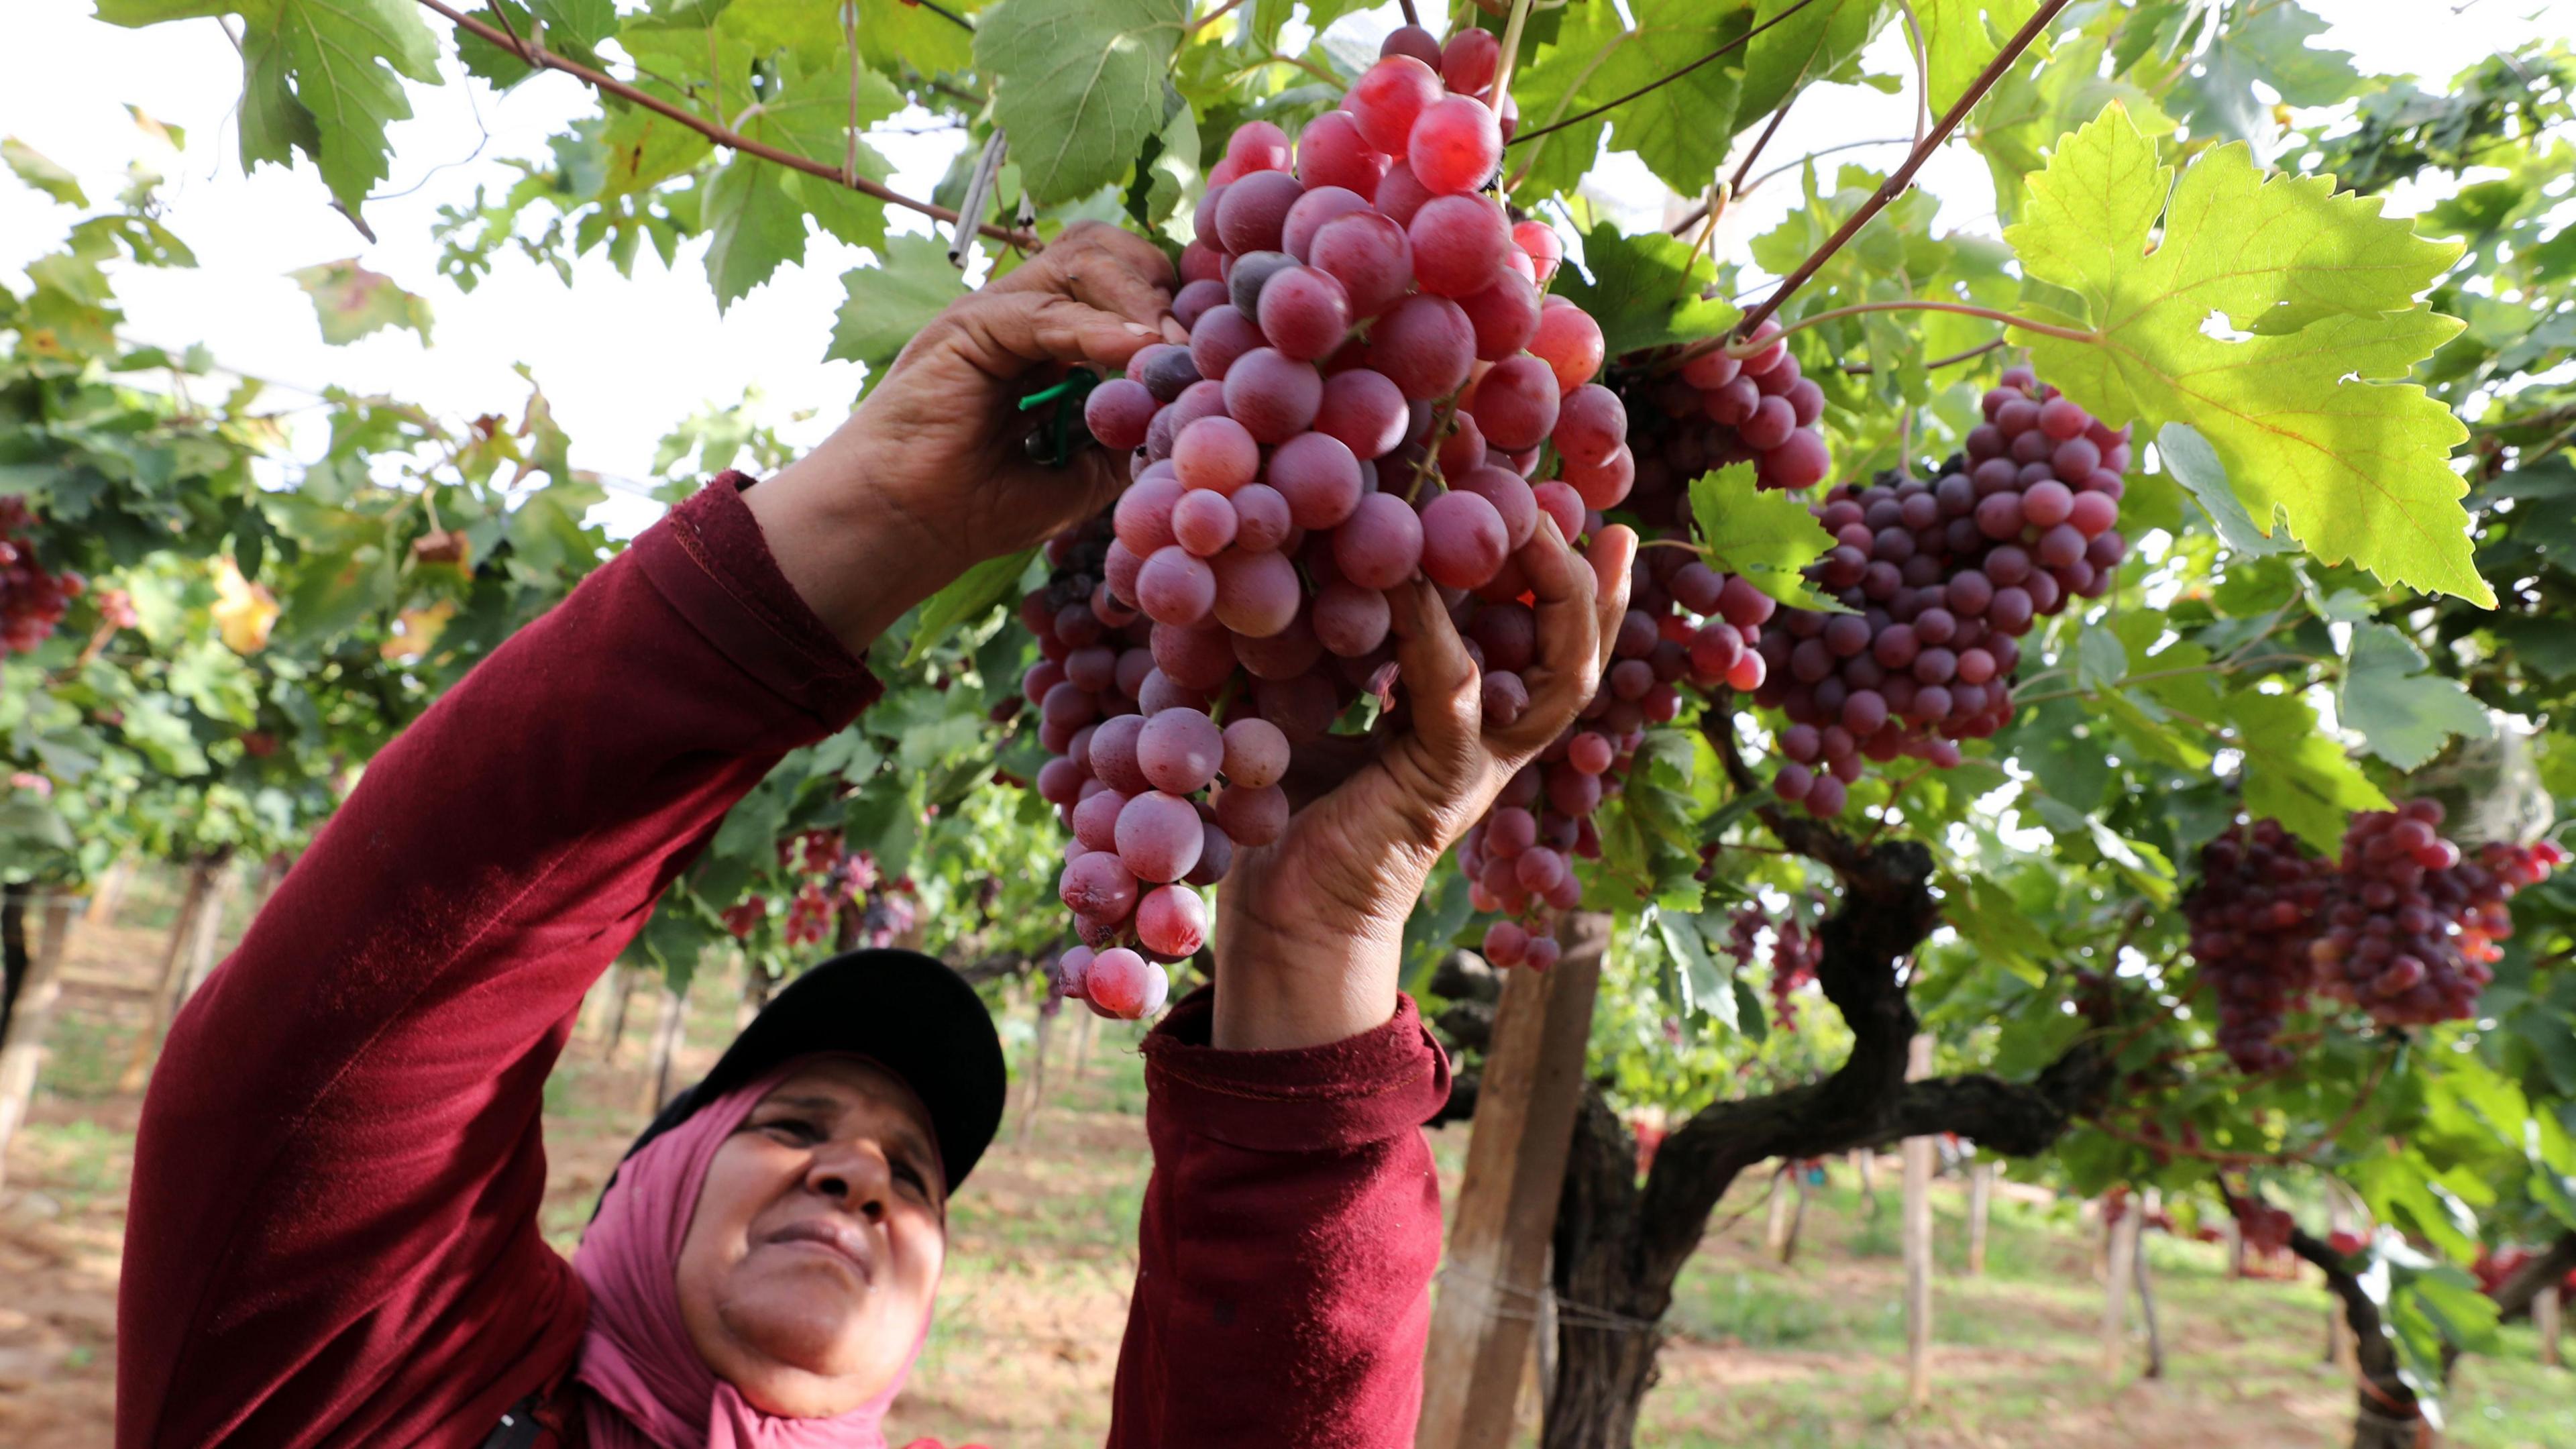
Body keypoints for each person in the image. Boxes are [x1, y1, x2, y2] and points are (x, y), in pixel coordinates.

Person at [116, 222, 1635, 1449]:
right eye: (794, 1129)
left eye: (910, 1177)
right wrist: (860, 525)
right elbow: (331, 1056)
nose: (859, 1179)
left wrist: (1310, 949)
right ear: (638, 1196)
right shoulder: (374, 1398)